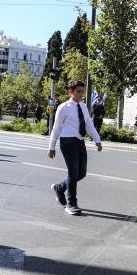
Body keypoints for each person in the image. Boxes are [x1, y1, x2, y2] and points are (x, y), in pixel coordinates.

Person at [48, 80, 103, 215]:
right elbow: (56, 128)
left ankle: (60, 188)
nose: (80, 94)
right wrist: (51, 146)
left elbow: (89, 124)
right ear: (71, 92)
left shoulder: (83, 107)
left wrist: (97, 140)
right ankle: (71, 204)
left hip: (79, 141)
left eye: (82, 92)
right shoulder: (63, 107)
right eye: (78, 91)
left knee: (81, 173)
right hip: (67, 142)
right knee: (73, 172)